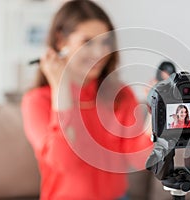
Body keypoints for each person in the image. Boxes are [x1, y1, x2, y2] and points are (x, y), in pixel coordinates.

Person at [21, 1, 152, 199]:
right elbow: (64, 162)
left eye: (105, 42)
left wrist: (156, 113)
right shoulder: (36, 101)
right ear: (60, 42)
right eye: (88, 42)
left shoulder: (120, 94)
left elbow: (140, 159)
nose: (100, 53)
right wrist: (61, 88)